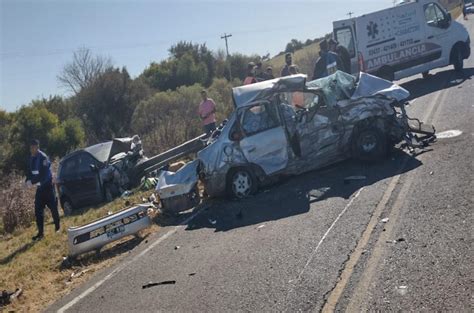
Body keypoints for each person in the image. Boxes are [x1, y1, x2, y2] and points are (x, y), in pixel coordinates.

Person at [25, 139, 60, 241]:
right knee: (38, 210)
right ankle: (40, 233)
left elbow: (43, 174)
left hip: (48, 186)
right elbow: (30, 172)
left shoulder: (43, 157)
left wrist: (32, 182)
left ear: (37, 147)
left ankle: (57, 227)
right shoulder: (32, 158)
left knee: (53, 207)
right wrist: (27, 180)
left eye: (33, 148)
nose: (31, 150)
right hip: (40, 188)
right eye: (30, 148)